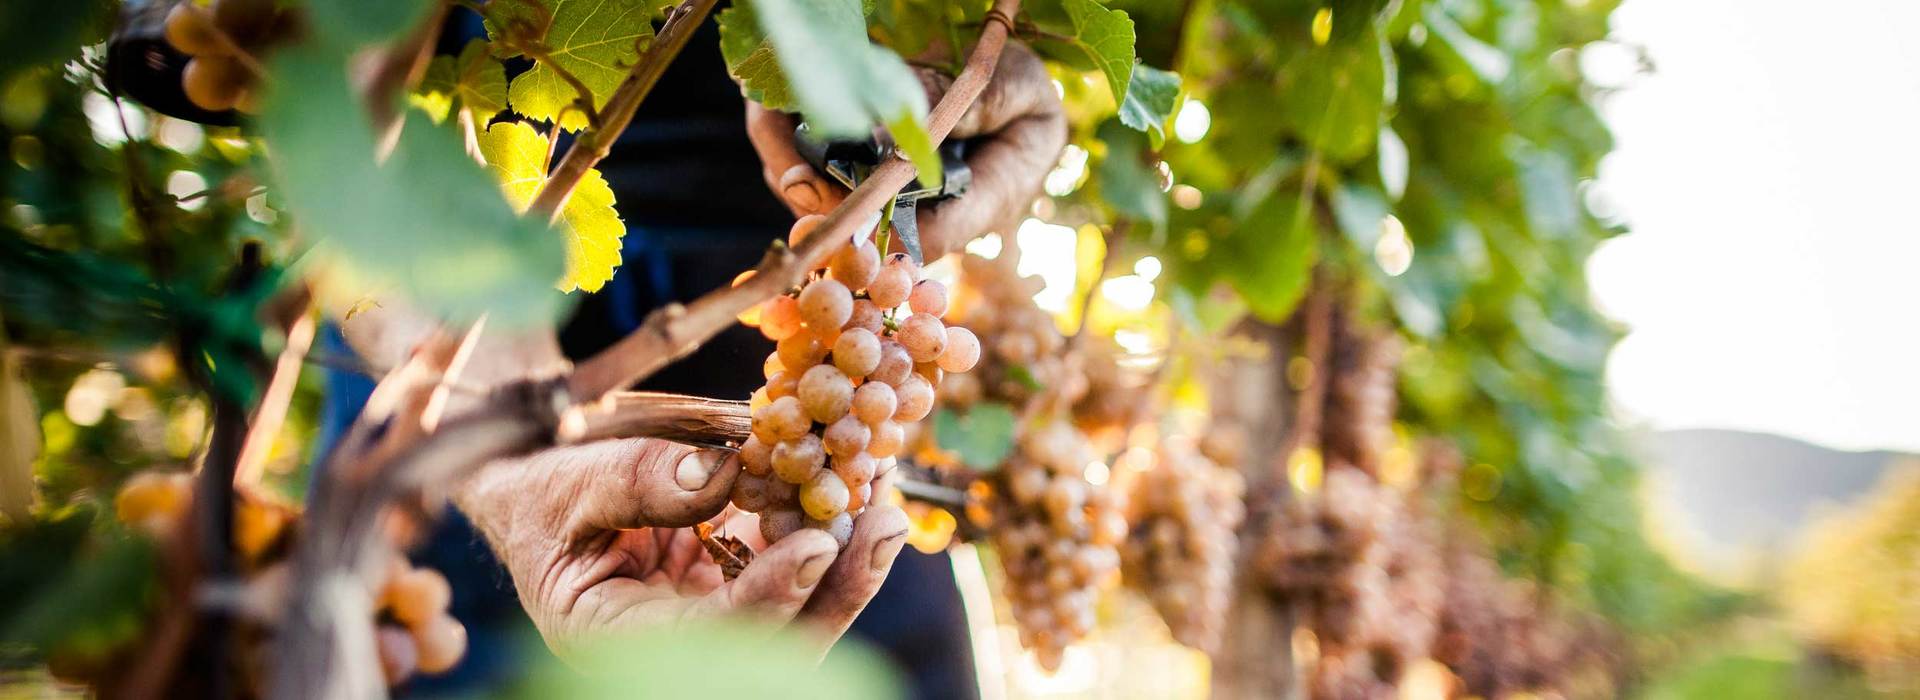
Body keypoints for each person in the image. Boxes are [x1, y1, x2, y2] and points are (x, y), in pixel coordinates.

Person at [320, 11, 1064, 696]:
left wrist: (996, 73)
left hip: (795, 310)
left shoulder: (851, 354)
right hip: (450, 283)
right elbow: (325, 104)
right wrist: (506, 463)